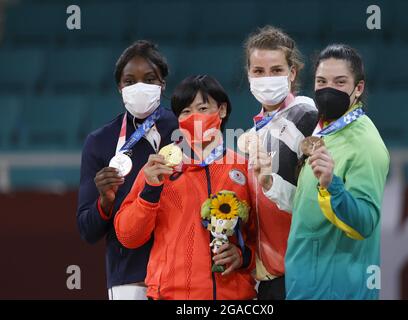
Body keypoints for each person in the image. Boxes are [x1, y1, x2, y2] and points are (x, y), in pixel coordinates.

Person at [264, 44, 389, 299]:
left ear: (359, 89)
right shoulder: (324, 130)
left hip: (338, 290)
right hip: (305, 287)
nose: (328, 89)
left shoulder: (366, 144)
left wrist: (333, 185)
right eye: (321, 81)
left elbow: (364, 223)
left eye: (340, 82)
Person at [114, 75, 257, 300]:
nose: (194, 117)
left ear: (221, 110)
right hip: (170, 296)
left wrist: (244, 255)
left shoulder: (244, 168)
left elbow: (262, 236)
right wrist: (150, 190)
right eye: (186, 111)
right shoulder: (159, 166)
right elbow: (129, 236)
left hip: (233, 297)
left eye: (202, 107)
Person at [76, 40, 178, 300]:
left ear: (162, 84)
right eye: (130, 81)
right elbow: (87, 230)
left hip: (183, 271)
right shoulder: (100, 142)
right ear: (119, 88)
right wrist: (105, 202)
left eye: (149, 79)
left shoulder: (184, 131)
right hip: (131, 276)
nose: (139, 87)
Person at [242, 25, 317, 300]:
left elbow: (313, 201)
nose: (266, 79)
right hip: (271, 280)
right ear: (248, 75)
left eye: (276, 70)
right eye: (258, 71)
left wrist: (271, 183)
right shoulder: (254, 133)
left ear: (292, 73)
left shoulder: (306, 116)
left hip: (303, 276)